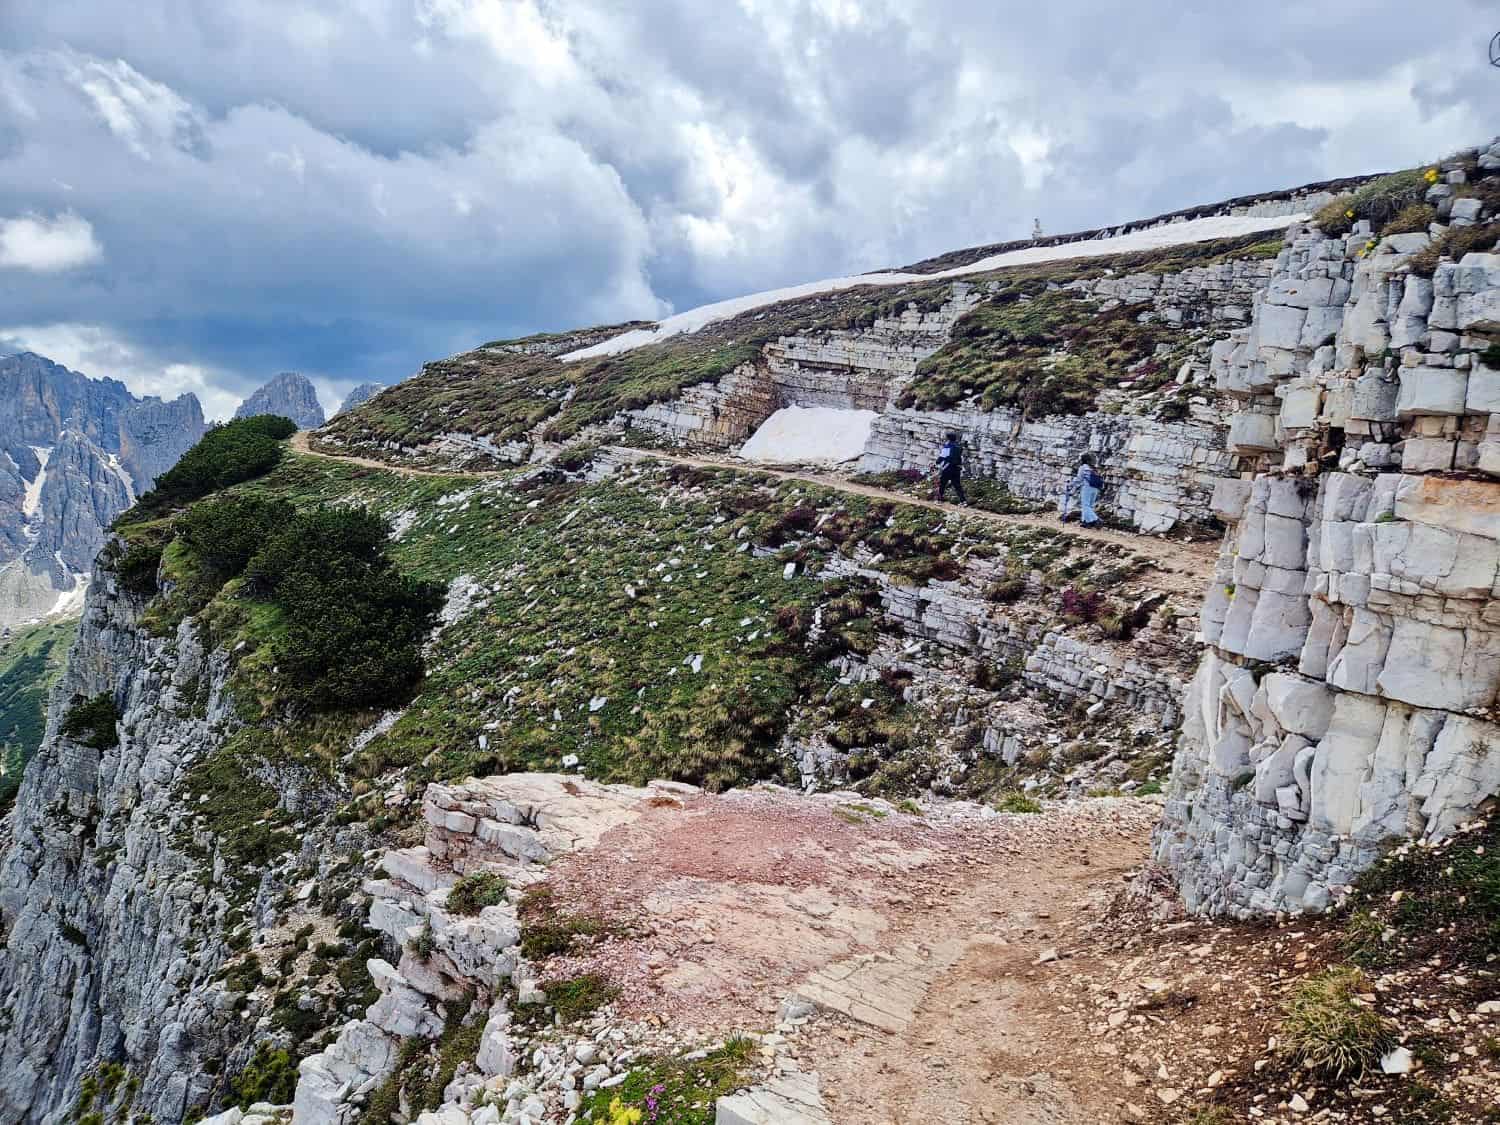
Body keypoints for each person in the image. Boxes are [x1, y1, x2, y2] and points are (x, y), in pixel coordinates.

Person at [1059, 454, 1103, 526]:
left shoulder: (1083, 467)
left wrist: (1070, 484)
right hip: (1095, 488)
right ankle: (1086, 522)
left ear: (1082, 460)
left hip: (1087, 488)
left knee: (1085, 505)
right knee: (1090, 506)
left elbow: (1079, 479)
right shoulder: (1093, 468)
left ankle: (1096, 519)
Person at [936, 431, 967, 505]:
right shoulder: (959, 447)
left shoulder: (947, 447)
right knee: (957, 485)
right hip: (956, 468)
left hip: (948, 468)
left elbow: (941, 457)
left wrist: (937, 462)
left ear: (948, 438)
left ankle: (939, 500)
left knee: (942, 484)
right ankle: (963, 501)